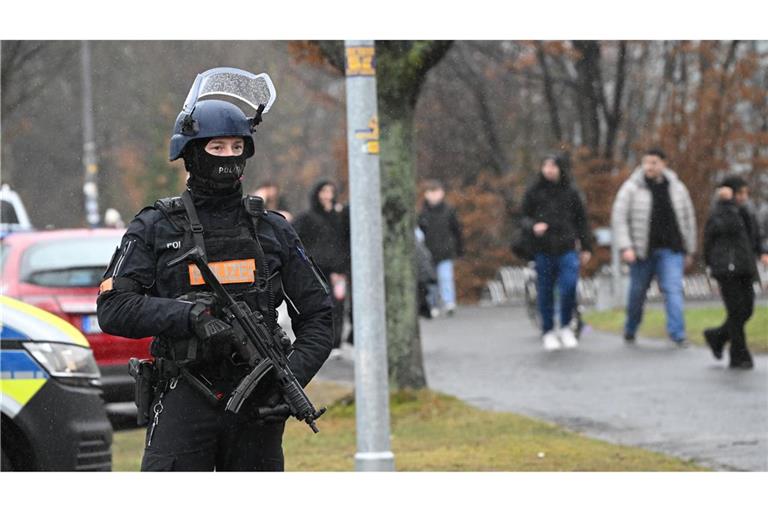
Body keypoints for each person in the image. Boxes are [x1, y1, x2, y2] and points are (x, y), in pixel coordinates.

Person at [96, 69, 333, 471]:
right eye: (216, 147)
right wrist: (188, 315)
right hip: (184, 393)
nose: (227, 157)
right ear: (190, 153)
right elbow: (114, 307)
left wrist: (288, 376)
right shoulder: (156, 226)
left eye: (235, 146)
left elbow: (319, 316)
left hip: (258, 403)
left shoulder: (272, 229)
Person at [611, 148, 697, 347]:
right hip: (642, 251)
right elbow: (619, 219)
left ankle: (677, 334)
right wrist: (626, 247)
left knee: (673, 289)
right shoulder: (631, 188)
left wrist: (690, 249)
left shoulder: (677, 188)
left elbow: (688, 218)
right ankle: (631, 327)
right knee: (637, 293)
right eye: (646, 162)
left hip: (671, 249)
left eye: (654, 162)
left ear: (664, 163)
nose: (649, 166)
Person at [521, 154, 592, 351]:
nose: (549, 170)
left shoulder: (571, 193)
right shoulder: (534, 192)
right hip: (543, 248)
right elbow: (522, 217)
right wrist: (533, 226)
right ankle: (548, 330)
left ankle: (566, 326)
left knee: (569, 286)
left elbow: (582, 221)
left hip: (567, 247)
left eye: (553, 166)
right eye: (546, 166)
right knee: (545, 291)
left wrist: (586, 246)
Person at [703, 177, 766, 369]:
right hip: (726, 268)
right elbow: (726, 228)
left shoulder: (747, 211)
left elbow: (753, 235)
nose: (744, 197)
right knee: (736, 311)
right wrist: (726, 203)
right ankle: (739, 355)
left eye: (746, 193)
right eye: (740, 194)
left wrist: (762, 251)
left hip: (745, 267)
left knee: (747, 309)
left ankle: (717, 336)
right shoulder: (719, 212)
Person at [292, 180, 351, 358]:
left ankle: (336, 343)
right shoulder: (308, 217)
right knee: (318, 305)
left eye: (331, 191)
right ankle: (319, 340)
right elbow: (294, 235)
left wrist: (343, 265)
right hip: (316, 269)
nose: (327, 195)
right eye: (324, 191)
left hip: (338, 270)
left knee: (338, 305)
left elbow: (347, 240)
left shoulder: (340, 217)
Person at [418, 180, 463, 317]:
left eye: (436, 192)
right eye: (431, 192)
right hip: (428, 252)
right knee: (431, 280)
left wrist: (459, 248)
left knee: (445, 277)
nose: (434, 196)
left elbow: (456, 230)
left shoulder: (448, 211)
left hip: (445, 251)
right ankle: (432, 303)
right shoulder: (422, 213)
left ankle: (449, 302)